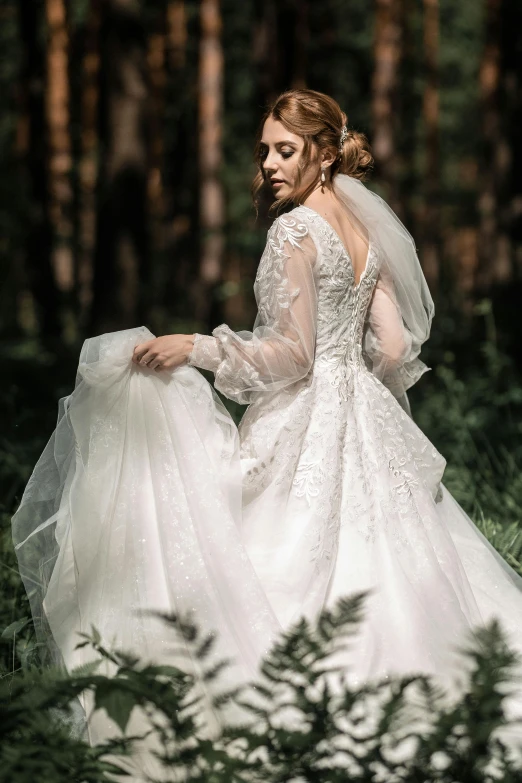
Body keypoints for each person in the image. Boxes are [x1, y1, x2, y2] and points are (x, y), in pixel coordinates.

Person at [12, 90, 522, 761]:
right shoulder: (366, 233)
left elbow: (291, 355)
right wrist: (356, 384)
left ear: (324, 150)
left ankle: (288, 718)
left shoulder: (296, 230)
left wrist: (194, 345)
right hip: (363, 409)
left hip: (306, 419)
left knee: (271, 561)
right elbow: (395, 348)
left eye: (286, 149)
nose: (270, 165)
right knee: (409, 559)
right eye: (264, 151)